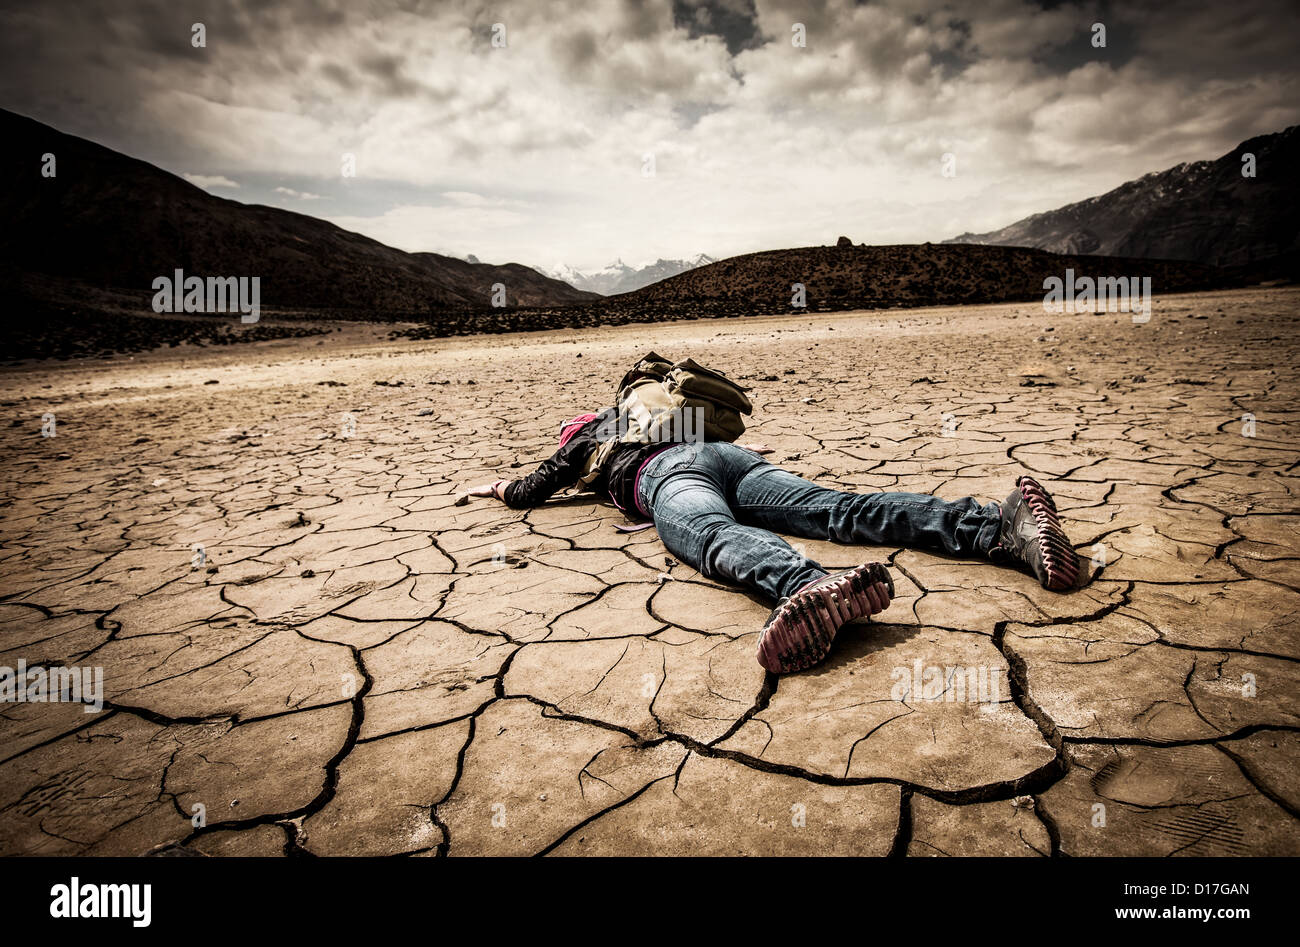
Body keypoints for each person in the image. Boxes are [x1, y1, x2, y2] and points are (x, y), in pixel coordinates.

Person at [460, 406, 1079, 674]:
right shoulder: (653, 417)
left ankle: (807, 586)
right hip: (736, 459)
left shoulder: (587, 435)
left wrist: (495, 488)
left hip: (671, 476)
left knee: (706, 533)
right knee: (840, 509)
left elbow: (532, 489)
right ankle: (998, 527)